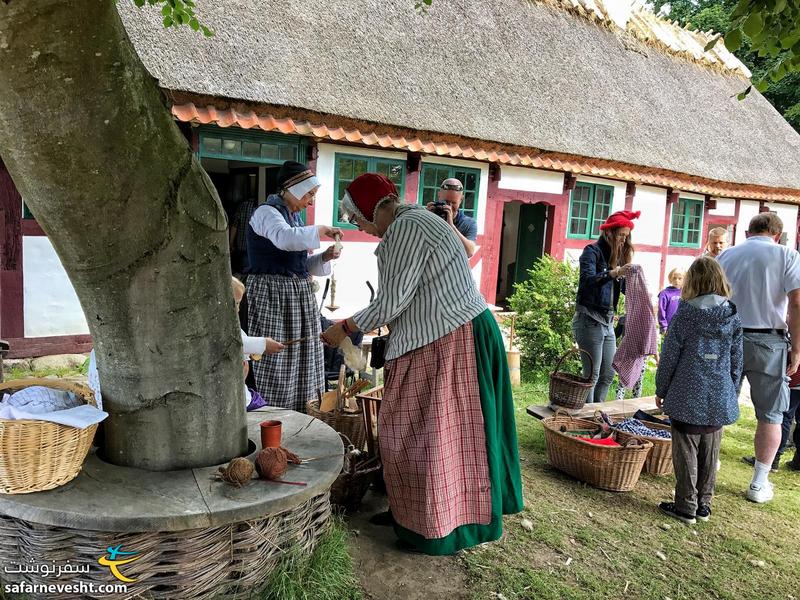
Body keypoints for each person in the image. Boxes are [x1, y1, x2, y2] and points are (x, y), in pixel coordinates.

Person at [322, 173, 523, 555]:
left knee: (436, 435)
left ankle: (438, 526)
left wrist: (344, 327)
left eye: (359, 220)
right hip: (444, 333)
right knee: (416, 431)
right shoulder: (416, 221)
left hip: (452, 338)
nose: (361, 228)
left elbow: (392, 301)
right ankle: (411, 514)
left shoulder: (407, 227)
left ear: (375, 207)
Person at [245, 160, 342, 411]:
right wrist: (319, 230)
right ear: (293, 188)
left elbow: (297, 266)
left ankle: (304, 410)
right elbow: (283, 240)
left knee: (303, 356)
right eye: (309, 194)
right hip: (273, 297)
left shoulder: (295, 218)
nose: (310, 201)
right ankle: (275, 413)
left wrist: (324, 257)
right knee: (278, 358)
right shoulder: (266, 213)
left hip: (296, 296)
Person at [717, 212, 800, 503]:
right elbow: (797, 302)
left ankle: (710, 465)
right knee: (771, 414)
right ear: (776, 234)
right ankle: (758, 482)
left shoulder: (727, 254)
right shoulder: (787, 255)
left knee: (717, 403)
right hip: (769, 338)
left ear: (748, 232)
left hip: (728, 333)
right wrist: (797, 348)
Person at [655, 257, 742, 524]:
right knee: (710, 448)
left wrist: (661, 388)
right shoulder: (732, 314)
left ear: (693, 281)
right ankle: (704, 504)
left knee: (685, 452)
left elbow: (669, 356)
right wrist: (733, 391)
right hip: (720, 394)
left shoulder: (686, 314)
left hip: (686, 392)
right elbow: (738, 359)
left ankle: (685, 506)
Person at [573, 210, 639, 403]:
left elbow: (624, 289)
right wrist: (613, 273)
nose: (623, 241)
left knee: (608, 374)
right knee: (591, 376)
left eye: (626, 237)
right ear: (608, 232)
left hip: (608, 322)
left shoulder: (619, 257)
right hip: (589, 320)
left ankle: (599, 416)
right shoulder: (591, 251)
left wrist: (635, 282)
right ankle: (587, 418)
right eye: (621, 236)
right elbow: (587, 281)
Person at [231, 277, 285, 411]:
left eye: (239, 304)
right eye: (235, 304)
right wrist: (263, 344)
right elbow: (236, 342)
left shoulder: (232, 324)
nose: (238, 310)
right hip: (236, 397)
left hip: (243, 391)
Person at [425, 178, 478, 257]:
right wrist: (425, 218)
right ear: (439, 195)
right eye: (445, 202)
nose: (449, 206)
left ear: (461, 199)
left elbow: (470, 252)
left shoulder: (468, 223)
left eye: (453, 203)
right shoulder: (430, 215)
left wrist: (451, 226)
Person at [229, 197, 257, 276]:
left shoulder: (243, 206)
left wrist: (231, 242)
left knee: (243, 273)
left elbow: (235, 225)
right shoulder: (262, 207)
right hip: (254, 248)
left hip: (242, 246)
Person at [657, 268, 684, 334]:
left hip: (682, 327)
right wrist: (664, 325)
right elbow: (661, 310)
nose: (677, 281)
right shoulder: (665, 293)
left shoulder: (686, 293)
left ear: (684, 279)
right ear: (670, 279)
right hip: (669, 327)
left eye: (680, 278)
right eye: (674, 278)